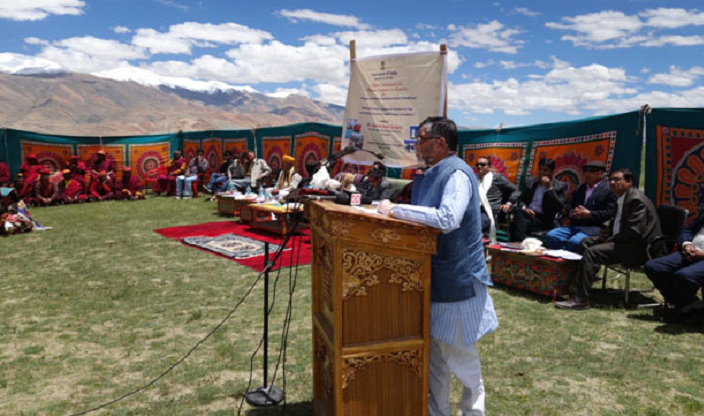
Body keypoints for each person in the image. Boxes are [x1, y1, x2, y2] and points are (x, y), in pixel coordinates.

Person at [379, 116, 497, 416]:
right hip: (433, 279)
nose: (417, 145)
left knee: (461, 357)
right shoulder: (431, 174)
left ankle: (474, 412)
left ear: (441, 143)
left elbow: (447, 219)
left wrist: (396, 210)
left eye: (421, 139)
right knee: (435, 358)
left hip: (457, 280)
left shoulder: (457, 174)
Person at [556, 168, 666, 310]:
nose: (613, 183)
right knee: (584, 243)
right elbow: (615, 220)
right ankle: (576, 287)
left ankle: (580, 299)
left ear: (629, 181)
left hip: (637, 249)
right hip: (622, 241)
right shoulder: (621, 197)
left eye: (617, 179)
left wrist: (612, 238)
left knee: (592, 252)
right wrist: (606, 230)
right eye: (611, 180)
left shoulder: (636, 200)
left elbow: (634, 232)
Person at [644, 209, 704, 323]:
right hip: (690, 252)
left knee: (684, 276)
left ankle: (685, 310)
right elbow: (688, 230)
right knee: (654, 267)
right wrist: (687, 244)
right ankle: (690, 305)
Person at [545, 161, 617, 253]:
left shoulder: (608, 190)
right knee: (552, 236)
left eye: (591, 171)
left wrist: (589, 214)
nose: (587, 174)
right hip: (576, 225)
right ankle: (563, 258)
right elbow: (567, 205)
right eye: (586, 171)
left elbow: (610, 213)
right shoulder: (580, 188)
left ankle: (573, 263)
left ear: (601, 174)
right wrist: (572, 212)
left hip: (594, 227)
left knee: (575, 242)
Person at [475, 156, 519, 234]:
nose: (479, 166)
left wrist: (509, 203)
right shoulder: (474, 179)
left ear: (489, 167)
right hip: (474, 210)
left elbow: (515, 190)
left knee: (474, 226)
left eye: (482, 164)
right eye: (477, 164)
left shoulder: (496, 178)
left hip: (489, 212)